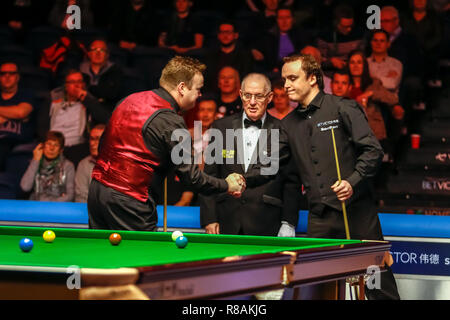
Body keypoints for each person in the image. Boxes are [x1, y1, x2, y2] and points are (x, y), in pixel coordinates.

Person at [281, 54, 400, 300]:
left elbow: (373, 151)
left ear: (312, 78)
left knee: (377, 285)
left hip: (357, 213)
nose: (286, 85)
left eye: (292, 78)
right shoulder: (288, 124)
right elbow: (278, 170)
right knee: (315, 290)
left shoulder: (342, 107)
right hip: (320, 218)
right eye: (284, 80)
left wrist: (352, 181)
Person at [88, 56, 245, 231]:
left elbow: (104, 146)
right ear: (182, 88)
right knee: (142, 257)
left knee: (105, 253)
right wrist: (227, 184)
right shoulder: (171, 121)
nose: (200, 95)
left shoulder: (129, 99)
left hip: (96, 192)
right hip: (130, 199)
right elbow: (192, 178)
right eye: (198, 89)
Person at [200, 73, 295, 236]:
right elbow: (209, 175)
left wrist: (289, 222)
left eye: (258, 96)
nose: (252, 102)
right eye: (247, 95)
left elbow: (291, 181)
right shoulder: (221, 127)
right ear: (240, 95)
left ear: (270, 97)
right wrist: (209, 218)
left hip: (267, 219)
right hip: (226, 219)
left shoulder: (283, 129)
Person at [39, 69, 110, 167]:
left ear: (83, 85)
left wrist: (87, 100)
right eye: (72, 82)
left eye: (79, 82)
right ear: (66, 86)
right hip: (54, 142)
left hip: (77, 147)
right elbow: (41, 125)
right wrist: (49, 142)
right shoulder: (53, 99)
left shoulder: (89, 101)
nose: (77, 85)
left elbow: (105, 118)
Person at [347, 50, 401, 158]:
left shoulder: (373, 83)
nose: (355, 66)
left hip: (371, 131)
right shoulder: (342, 83)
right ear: (348, 65)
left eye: (359, 62)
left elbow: (393, 99)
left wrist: (371, 93)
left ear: (364, 65)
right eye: (352, 62)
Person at [20, 130, 75, 202]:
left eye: (56, 145)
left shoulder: (68, 166)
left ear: (61, 150)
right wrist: (35, 160)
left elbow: (70, 195)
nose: (51, 148)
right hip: (36, 206)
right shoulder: (35, 162)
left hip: (57, 207)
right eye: (49, 144)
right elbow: (25, 187)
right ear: (43, 146)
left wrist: (50, 204)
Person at [0, 62, 36, 171]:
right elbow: (18, 114)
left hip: (16, 140)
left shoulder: (26, 94)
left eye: (11, 73)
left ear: (17, 77)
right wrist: (12, 113)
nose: (7, 77)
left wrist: (15, 113)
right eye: (3, 74)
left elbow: (21, 113)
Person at [204, 21, 254, 92]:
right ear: (218, 35)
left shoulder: (245, 55)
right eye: (222, 32)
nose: (225, 35)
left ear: (236, 35)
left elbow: (247, 78)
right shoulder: (210, 55)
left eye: (228, 32)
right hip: (214, 94)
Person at [80, 39, 124, 115]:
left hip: (106, 113)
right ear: (89, 53)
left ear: (107, 55)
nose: (98, 53)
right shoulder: (79, 71)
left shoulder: (116, 72)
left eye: (102, 50)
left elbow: (112, 95)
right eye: (94, 50)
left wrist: (89, 91)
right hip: (81, 112)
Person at [316, 4, 364, 73]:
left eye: (351, 26)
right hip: (331, 73)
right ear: (336, 24)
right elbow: (319, 60)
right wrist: (331, 61)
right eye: (345, 26)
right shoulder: (325, 36)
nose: (349, 29)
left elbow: (362, 56)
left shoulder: (359, 34)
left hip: (354, 71)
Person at [74, 123, 105, 202]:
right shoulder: (83, 164)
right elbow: (81, 197)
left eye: (97, 139)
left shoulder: (118, 164)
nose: (92, 143)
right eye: (91, 139)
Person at [366, 30, 403, 94]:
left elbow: (392, 84)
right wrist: (385, 78)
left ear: (388, 44)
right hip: (367, 99)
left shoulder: (396, 63)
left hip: (390, 101)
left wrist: (371, 78)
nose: (378, 43)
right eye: (375, 40)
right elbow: (362, 84)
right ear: (371, 43)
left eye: (382, 41)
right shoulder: (364, 62)